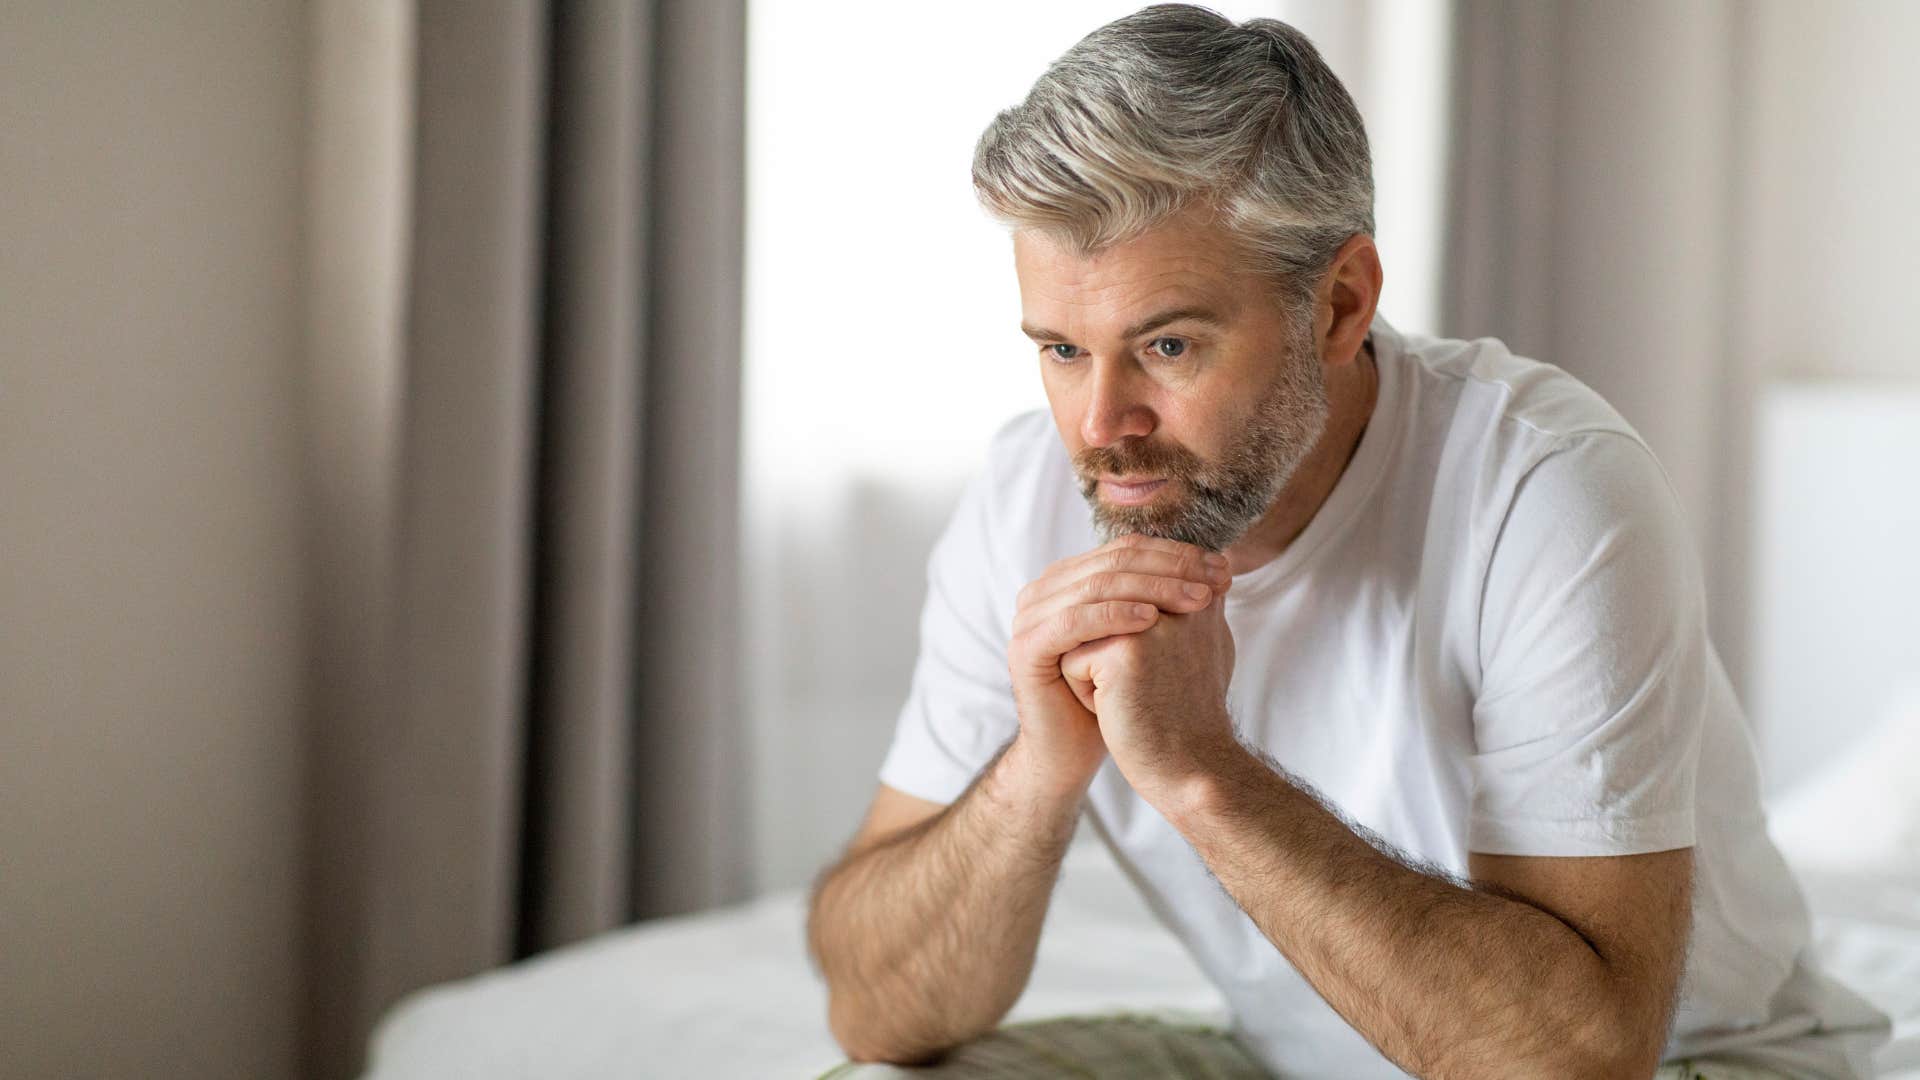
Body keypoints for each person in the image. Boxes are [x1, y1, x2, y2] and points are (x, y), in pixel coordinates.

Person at [805, 6, 1890, 1078]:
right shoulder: (1022, 499)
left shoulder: (1544, 490)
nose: (1100, 425)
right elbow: (874, 1009)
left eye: (1167, 346)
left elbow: (1576, 1061)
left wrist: (1202, 773)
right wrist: (1039, 770)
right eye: (1061, 350)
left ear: (1339, 305)